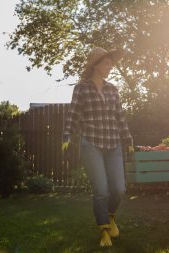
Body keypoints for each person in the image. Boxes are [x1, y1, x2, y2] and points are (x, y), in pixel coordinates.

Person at [62, 47, 134, 247]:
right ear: (95, 64)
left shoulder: (112, 89)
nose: (110, 67)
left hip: (113, 143)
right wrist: (66, 137)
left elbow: (119, 116)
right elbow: (73, 114)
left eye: (111, 63)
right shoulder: (82, 88)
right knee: (100, 190)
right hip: (91, 143)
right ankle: (104, 231)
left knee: (119, 189)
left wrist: (128, 139)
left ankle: (110, 216)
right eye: (106, 63)